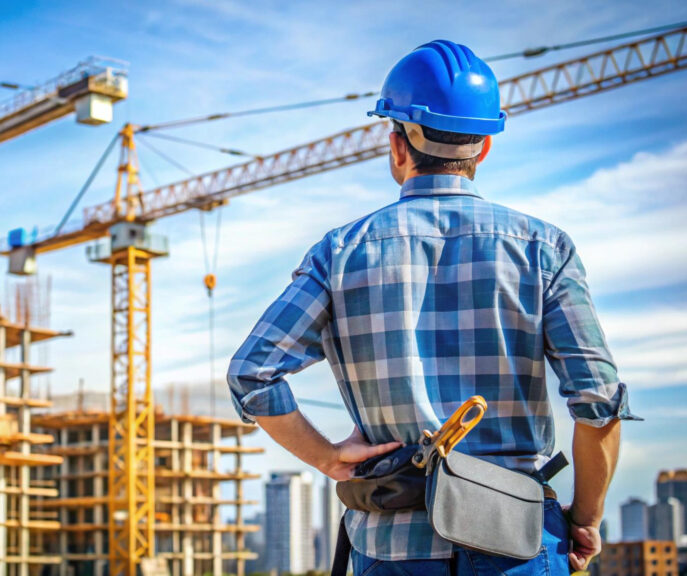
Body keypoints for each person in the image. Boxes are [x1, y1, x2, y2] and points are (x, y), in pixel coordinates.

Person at [226, 40, 638, 576]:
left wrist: (328, 457)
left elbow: (252, 374)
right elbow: (598, 401)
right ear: (484, 147)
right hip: (517, 542)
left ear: (397, 144)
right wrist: (584, 517)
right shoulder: (545, 249)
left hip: (392, 547)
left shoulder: (340, 252)